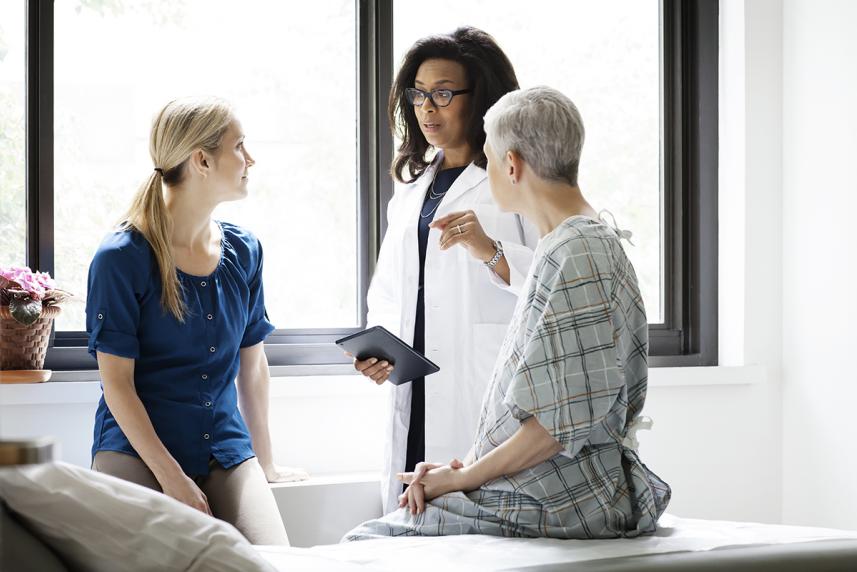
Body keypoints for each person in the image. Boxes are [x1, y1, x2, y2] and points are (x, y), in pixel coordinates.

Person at [345, 86, 671, 540]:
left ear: (512, 164)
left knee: (370, 542)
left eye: (491, 158)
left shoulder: (578, 250)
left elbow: (555, 427)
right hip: (539, 481)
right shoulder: (570, 244)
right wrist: (465, 469)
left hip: (563, 495)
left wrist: (463, 479)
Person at [85, 97, 305, 545]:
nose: (251, 159)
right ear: (201, 160)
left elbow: (253, 366)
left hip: (224, 449)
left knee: (277, 561)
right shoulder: (120, 258)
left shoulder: (245, 252)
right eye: (240, 146)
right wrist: (173, 479)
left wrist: (264, 463)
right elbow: (118, 385)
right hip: (137, 451)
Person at [351, 27, 539, 514]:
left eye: (442, 94)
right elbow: (390, 293)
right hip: (414, 387)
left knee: (471, 533)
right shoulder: (412, 190)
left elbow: (555, 277)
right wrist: (381, 351)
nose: (427, 108)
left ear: (480, 99)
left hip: (478, 388)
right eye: (418, 94)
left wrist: (489, 249)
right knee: (410, 527)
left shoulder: (517, 178)